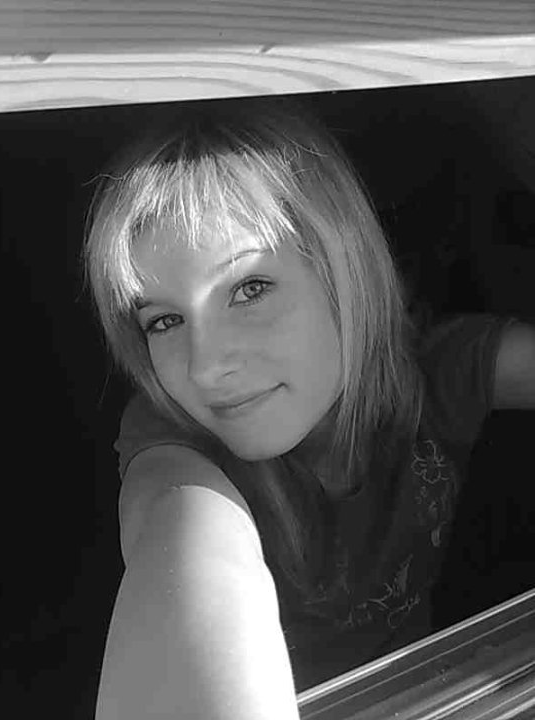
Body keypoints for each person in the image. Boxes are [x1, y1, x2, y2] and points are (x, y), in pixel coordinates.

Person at [83, 97, 535, 719]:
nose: (204, 367)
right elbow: (188, 546)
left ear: (347, 270)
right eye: (164, 320)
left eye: (249, 288)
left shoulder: (438, 371)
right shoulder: (173, 439)